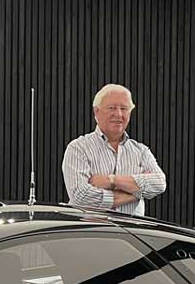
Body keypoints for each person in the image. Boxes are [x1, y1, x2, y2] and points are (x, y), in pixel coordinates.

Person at [61, 84, 167, 216]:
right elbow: (80, 197)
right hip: (91, 228)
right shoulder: (78, 148)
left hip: (130, 228)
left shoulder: (141, 151)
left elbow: (159, 184)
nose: (118, 114)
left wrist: (112, 180)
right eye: (112, 108)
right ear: (96, 112)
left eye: (124, 108)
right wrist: (134, 194)